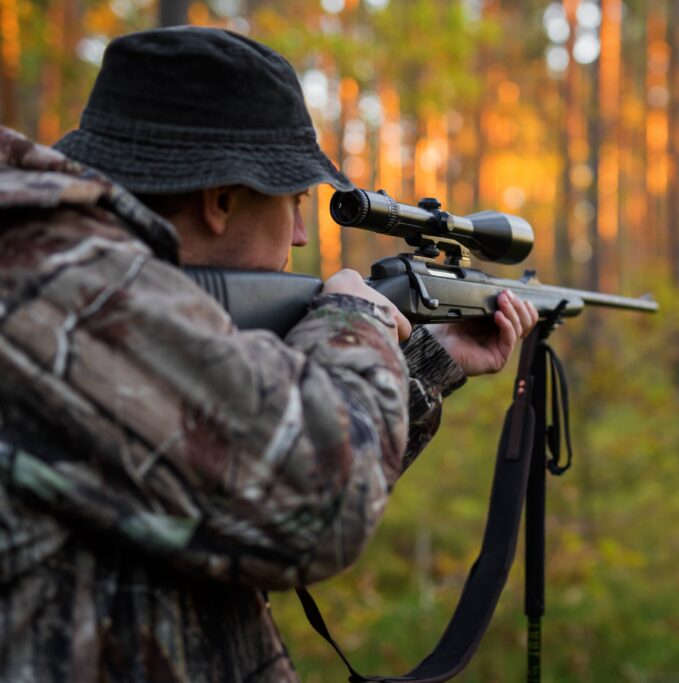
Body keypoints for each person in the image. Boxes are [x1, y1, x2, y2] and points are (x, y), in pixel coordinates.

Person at [0, 26, 537, 682]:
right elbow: (315, 506)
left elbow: (238, 488)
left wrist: (426, 362)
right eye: (296, 202)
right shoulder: (62, 287)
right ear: (222, 201)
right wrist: (355, 320)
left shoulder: (64, 280)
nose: (303, 235)